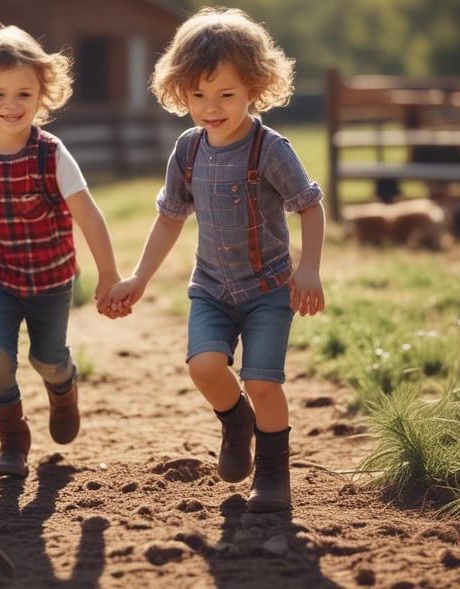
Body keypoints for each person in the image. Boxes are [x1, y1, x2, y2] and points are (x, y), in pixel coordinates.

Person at [104, 6, 325, 513]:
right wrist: (139, 276)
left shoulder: (270, 149)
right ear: (180, 92)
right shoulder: (187, 150)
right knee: (205, 367)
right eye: (198, 95)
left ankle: (272, 477)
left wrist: (308, 267)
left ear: (255, 86)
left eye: (226, 94)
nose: (211, 107)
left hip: (270, 287)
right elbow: (169, 218)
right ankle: (236, 422)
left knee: (262, 380)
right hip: (212, 289)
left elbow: (310, 206)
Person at [0, 23, 122, 482]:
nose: (11, 105)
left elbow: (89, 216)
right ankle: (13, 443)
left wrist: (108, 274)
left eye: (24, 94)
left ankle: (64, 392)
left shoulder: (52, 154)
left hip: (51, 279)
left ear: (42, 94)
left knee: (47, 359)